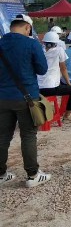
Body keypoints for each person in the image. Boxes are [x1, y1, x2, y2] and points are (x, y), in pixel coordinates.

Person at [0, 15, 51, 187]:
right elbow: (42, 69)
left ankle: (1, 174)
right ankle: (32, 175)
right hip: (26, 98)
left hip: (2, 98)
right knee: (28, 135)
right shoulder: (31, 44)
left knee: (2, 136)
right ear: (28, 28)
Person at [38, 31, 71, 123]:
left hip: (38, 88)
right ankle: (67, 115)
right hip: (51, 88)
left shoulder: (38, 50)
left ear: (44, 42)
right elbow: (63, 68)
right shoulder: (59, 50)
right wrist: (69, 84)